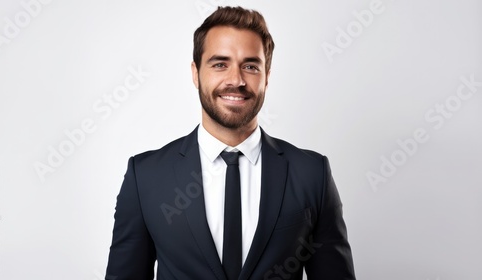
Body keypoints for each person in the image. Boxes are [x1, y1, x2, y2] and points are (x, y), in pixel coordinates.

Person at [106, 6, 355, 280]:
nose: (236, 80)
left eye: (250, 66)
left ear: (267, 77)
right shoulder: (145, 176)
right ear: (195, 73)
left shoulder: (312, 174)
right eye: (220, 64)